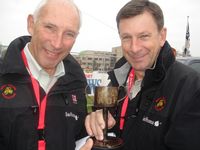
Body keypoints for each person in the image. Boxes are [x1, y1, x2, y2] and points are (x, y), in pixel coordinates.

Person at [81, 0, 200, 150]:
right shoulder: (114, 80)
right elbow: (104, 136)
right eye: (126, 37)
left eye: (143, 36)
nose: (134, 48)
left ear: (162, 36)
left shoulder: (190, 88)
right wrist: (96, 122)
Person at [0, 0, 88, 150]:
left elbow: (78, 136)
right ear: (31, 24)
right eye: (50, 28)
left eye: (69, 34)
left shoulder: (77, 83)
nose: (57, 44)